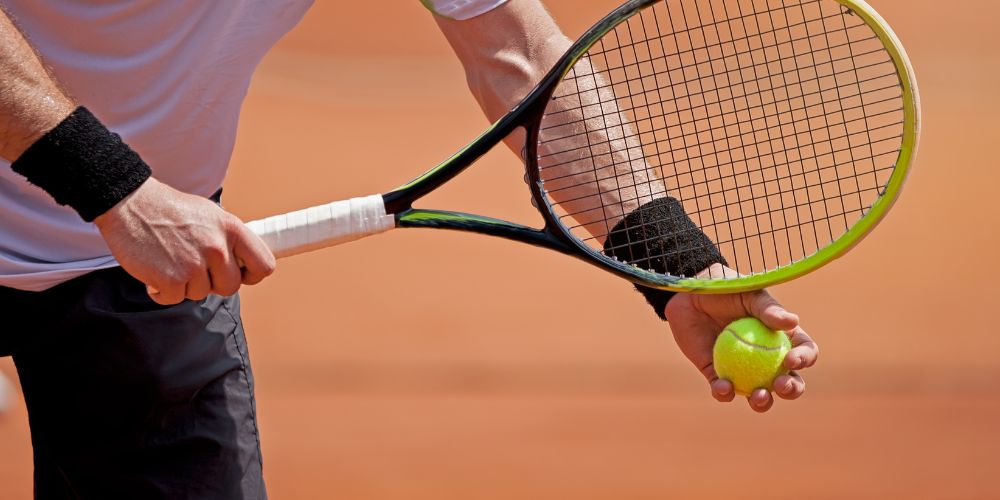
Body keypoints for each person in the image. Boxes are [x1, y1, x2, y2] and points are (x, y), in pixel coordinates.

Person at [0, 0, 818, 498]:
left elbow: (521, 58)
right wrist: (114, 188)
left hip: (152, 267)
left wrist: (671, 263)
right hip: (136, 218)